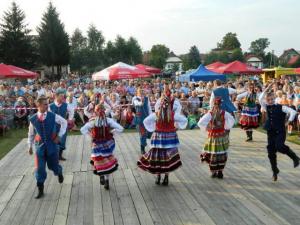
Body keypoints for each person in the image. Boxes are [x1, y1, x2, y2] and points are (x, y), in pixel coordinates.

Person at [137, 92, 187, 185]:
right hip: (170, 138)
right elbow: (184, 120)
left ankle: (159, 176)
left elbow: (146, 121)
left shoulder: (157, 114)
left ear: (161, 104)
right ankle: (166, 177)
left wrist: (153, 128)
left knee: (158, 157)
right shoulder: (172, 115)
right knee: (168, 158)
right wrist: (176, 127)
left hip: (158, 137)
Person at [27, 97, 67, 199]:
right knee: (39, 169)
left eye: (47, 104)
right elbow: (31, 133)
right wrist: (30, 146)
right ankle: (40, 189)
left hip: (52, 145)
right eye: (44, 104)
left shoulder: (53, 116)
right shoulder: (33, 118)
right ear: (38, 105)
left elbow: (64, 122)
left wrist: (59, 136)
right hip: (39, 146)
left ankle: (59, 172)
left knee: (53, 166)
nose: (47, 106)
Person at [259, 82, 299, 181]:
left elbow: (293, 112)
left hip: (280, 131)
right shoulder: (266, 106)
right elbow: (260, 98)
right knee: (271, 152)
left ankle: (294, 157)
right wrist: (267, 87)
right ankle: (275, 170)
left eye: (272, 99)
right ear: (267, 100)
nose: (270, 101)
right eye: (268, 100)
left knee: (279, 146)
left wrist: (288, 122)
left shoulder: (281, 107)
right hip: (271, 131)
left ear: (275, 99)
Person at [80, 104, 124, 190]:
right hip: (107, 144)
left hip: (96, 145)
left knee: (98, 161)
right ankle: (106, 179)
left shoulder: (93, 121)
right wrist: (112, 133)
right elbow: (121, 129)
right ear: (104, 111)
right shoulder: (108, 120)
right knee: (107, 163)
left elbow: (82, 129)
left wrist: (90, 136)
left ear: (95, 111)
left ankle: (101, 175)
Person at [198, 97, 235, 179]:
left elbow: (200, 122)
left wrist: (206, 128)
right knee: (221, 153)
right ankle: (220, 172)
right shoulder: (224, 113)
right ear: (220, 105)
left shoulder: (210, 114)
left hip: (213, 136)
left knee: (213, 154)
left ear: (213, 104)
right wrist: (226, 127)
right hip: (222, 136)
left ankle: (214, 172)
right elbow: (232, 120)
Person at [49, 91, 74, 161]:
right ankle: (54, 155)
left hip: (63, 125)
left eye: (63, 96)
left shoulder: (66, 105)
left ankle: (59, 155)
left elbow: (71, 111)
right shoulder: (50, 106)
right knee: (53, 139)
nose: (63, 97)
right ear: (56, 96)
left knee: (62, 140)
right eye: (61, 96)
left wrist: (70, 119)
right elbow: (48, 115)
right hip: (53, 125)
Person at [132, 88, 152, 154]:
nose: (141, 92)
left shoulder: (146, 98)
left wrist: (151, 117)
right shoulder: (135, 99)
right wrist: (142, 102)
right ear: (137, 92)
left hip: (147, 118)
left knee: (150, 131)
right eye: (139, 91)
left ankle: (145, 140)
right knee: (143, 134)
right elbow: (137, 104)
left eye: (142, 91)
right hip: (140, 119)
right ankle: (142, 148)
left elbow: (149, 108)